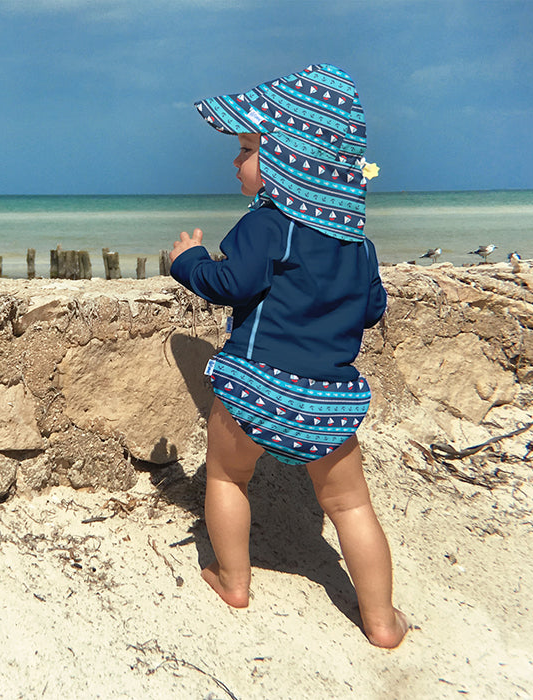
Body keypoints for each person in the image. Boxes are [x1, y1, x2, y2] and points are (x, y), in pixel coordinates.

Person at [169, 63, 408, 648]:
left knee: (227, 477)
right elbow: (372, 307)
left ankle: (234, 581)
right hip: (326, 400)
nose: (235, 161)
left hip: (255, 387)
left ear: (287, 160)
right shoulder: (359, 244)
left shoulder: (268, 227)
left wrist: (187, 262)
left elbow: (230, 285)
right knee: (351, 507)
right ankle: (381, 621)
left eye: (248, 148)